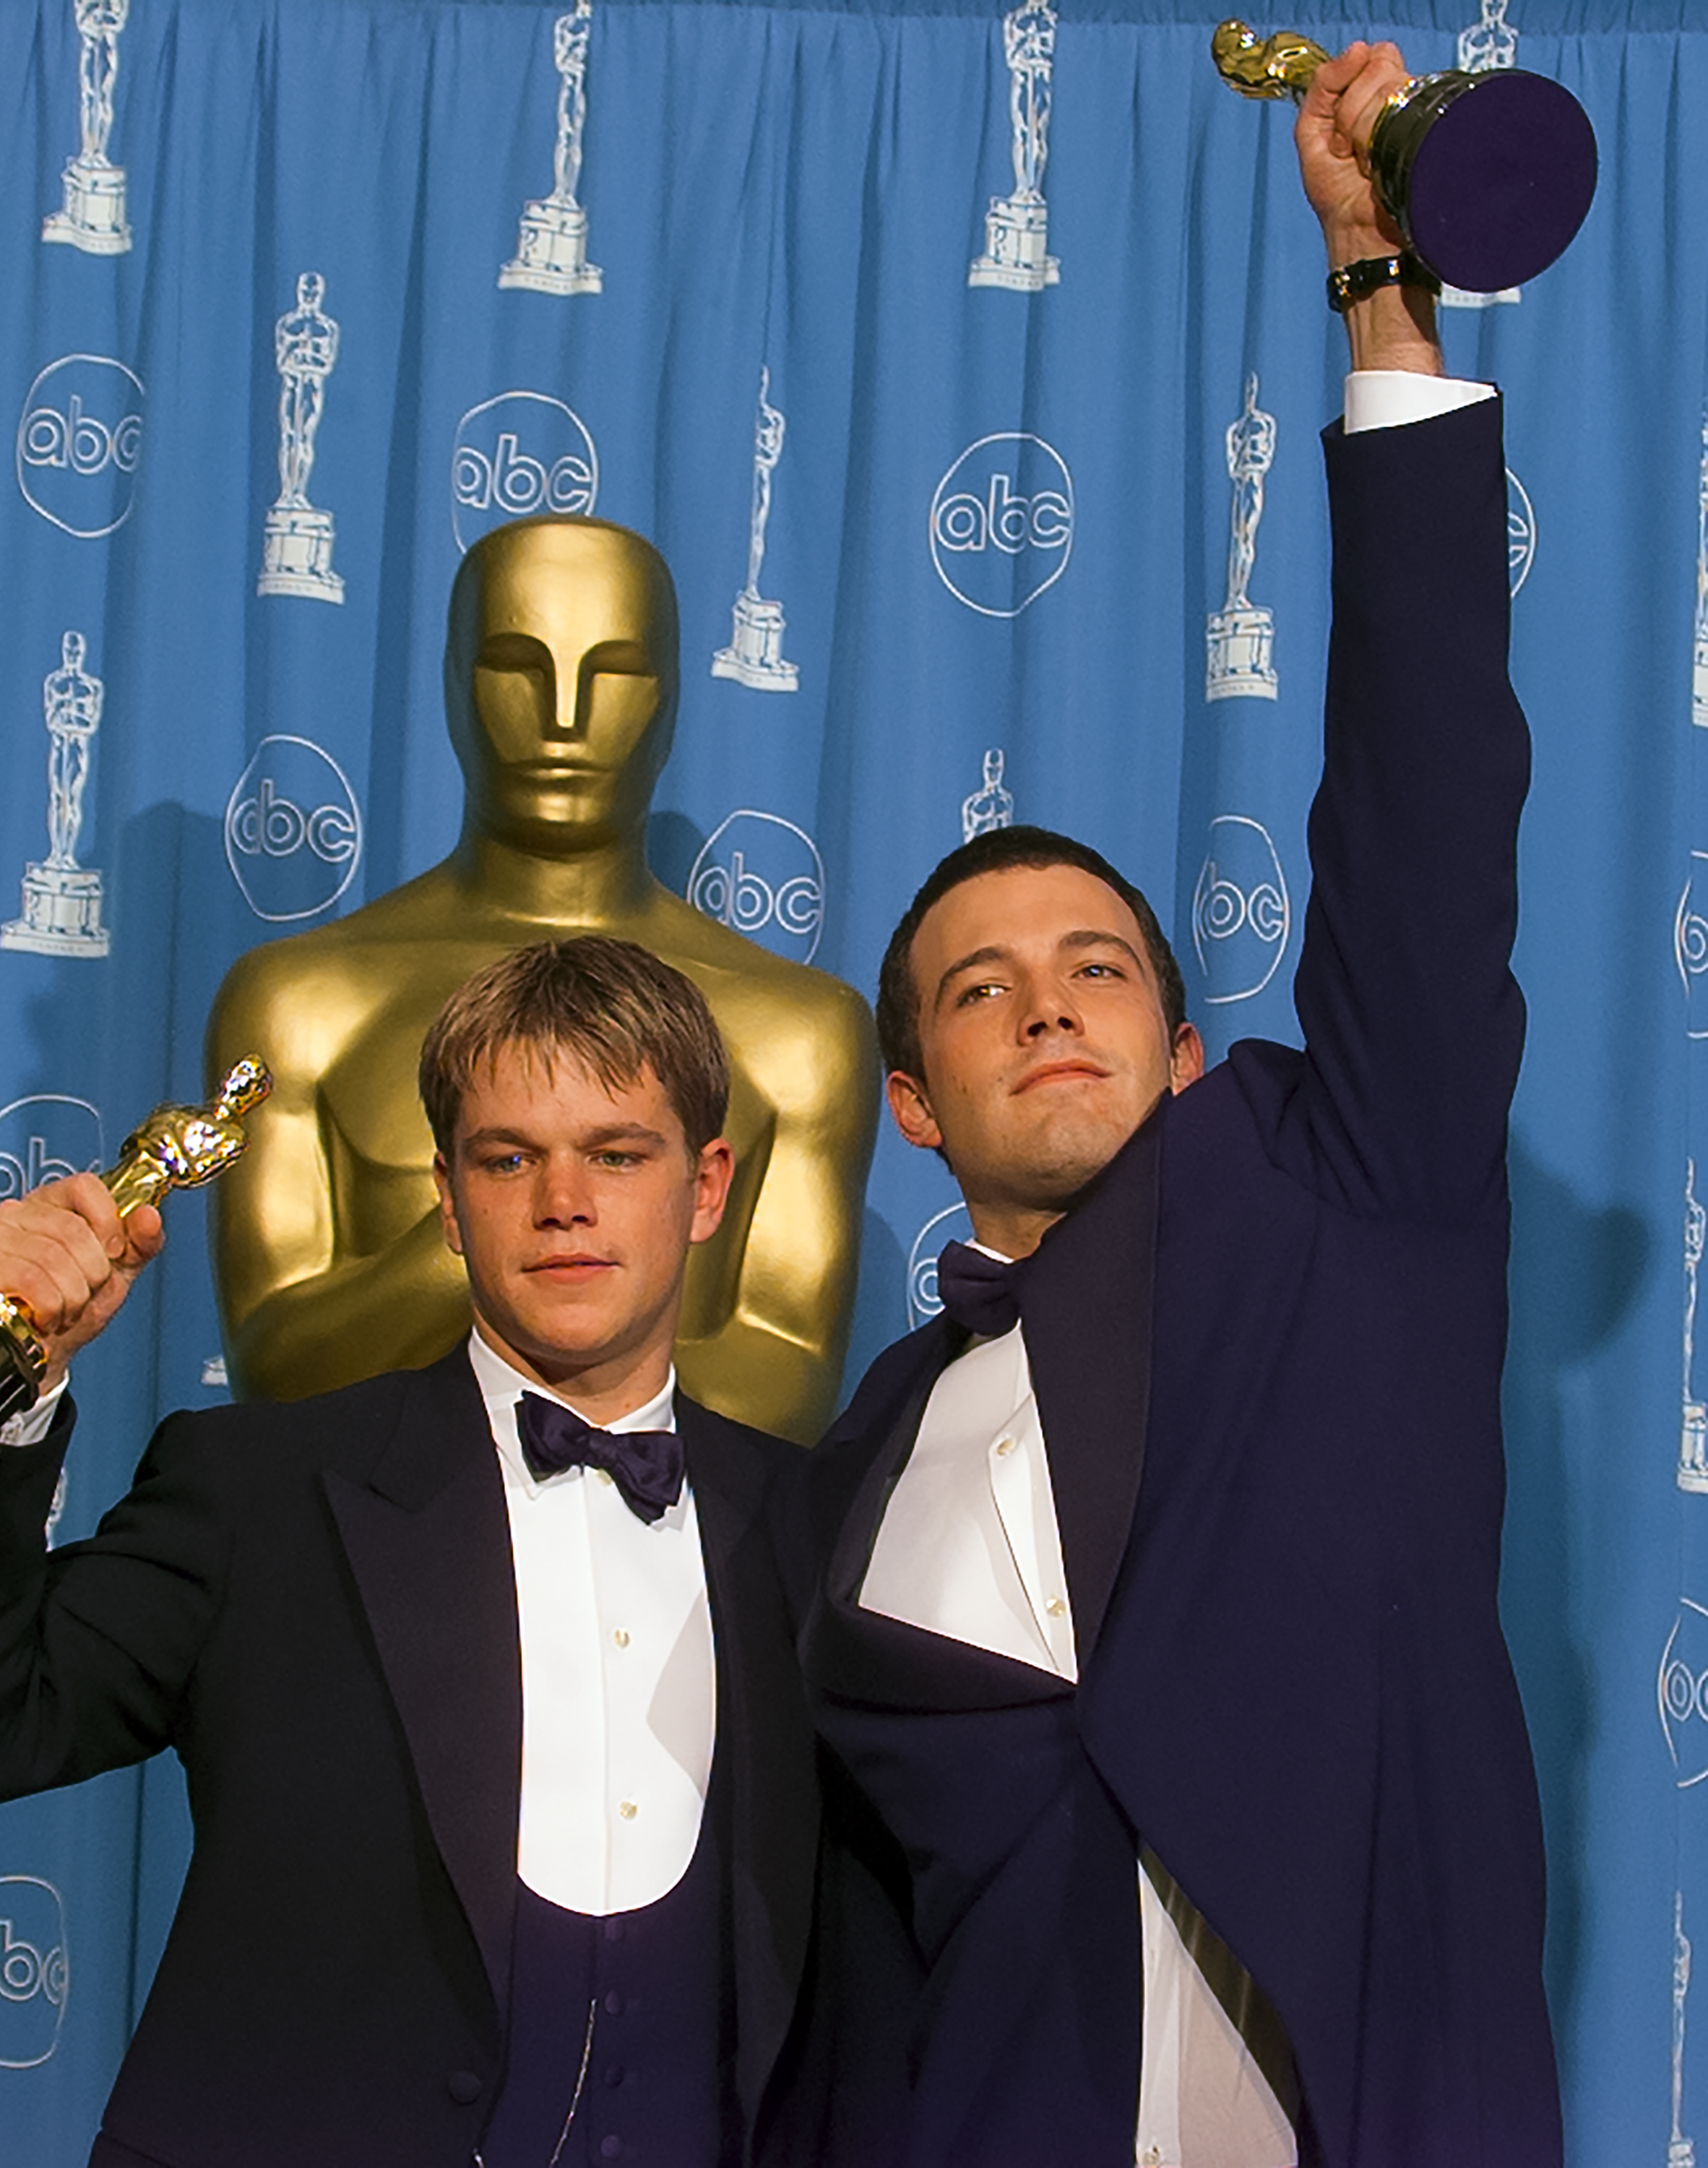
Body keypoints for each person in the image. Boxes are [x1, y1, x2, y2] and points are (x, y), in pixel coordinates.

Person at [794, 40, 1557, 2168]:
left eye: (1098, 968)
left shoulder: (1346, 1185)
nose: (1047, 1010)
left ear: (1190, 1049)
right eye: (981, 989)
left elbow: (1424, 795)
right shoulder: (854, 1465)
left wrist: (1380, 294)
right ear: (915, 1103)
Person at [0, 937, 819, 2168]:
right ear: (448, 1202)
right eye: (509, 1158)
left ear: (708, 1185)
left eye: (616, 1154)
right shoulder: (259, 1492)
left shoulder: (815, 1526)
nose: (563, 1200)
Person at [206, 514, 876, 1442]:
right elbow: (278, 1367)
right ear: (450, 684)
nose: (563, 714)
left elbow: (785, 1382)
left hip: (684, 1566)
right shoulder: (298, 1002)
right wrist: (529, 1245)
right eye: (517, 666)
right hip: (358, 1557)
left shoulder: (801, 1032)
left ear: (674, 697)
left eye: (615, 675)